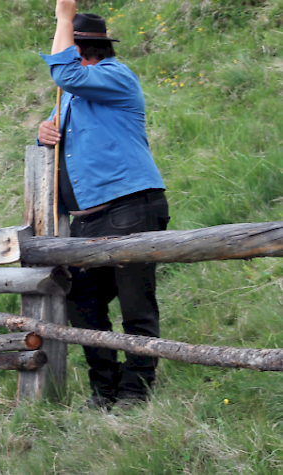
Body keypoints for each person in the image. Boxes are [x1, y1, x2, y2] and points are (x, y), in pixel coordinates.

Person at [37, 0, 170, 410]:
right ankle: (104, 389)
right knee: (84, 302)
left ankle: (135, 391)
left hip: (128, 207)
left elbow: (65, 72)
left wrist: (63, 16)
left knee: (135, 302)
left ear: (79, 50)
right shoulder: (74, 98)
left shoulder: (115, 76)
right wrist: (44, 133)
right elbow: (71, 147)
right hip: (90, 218)